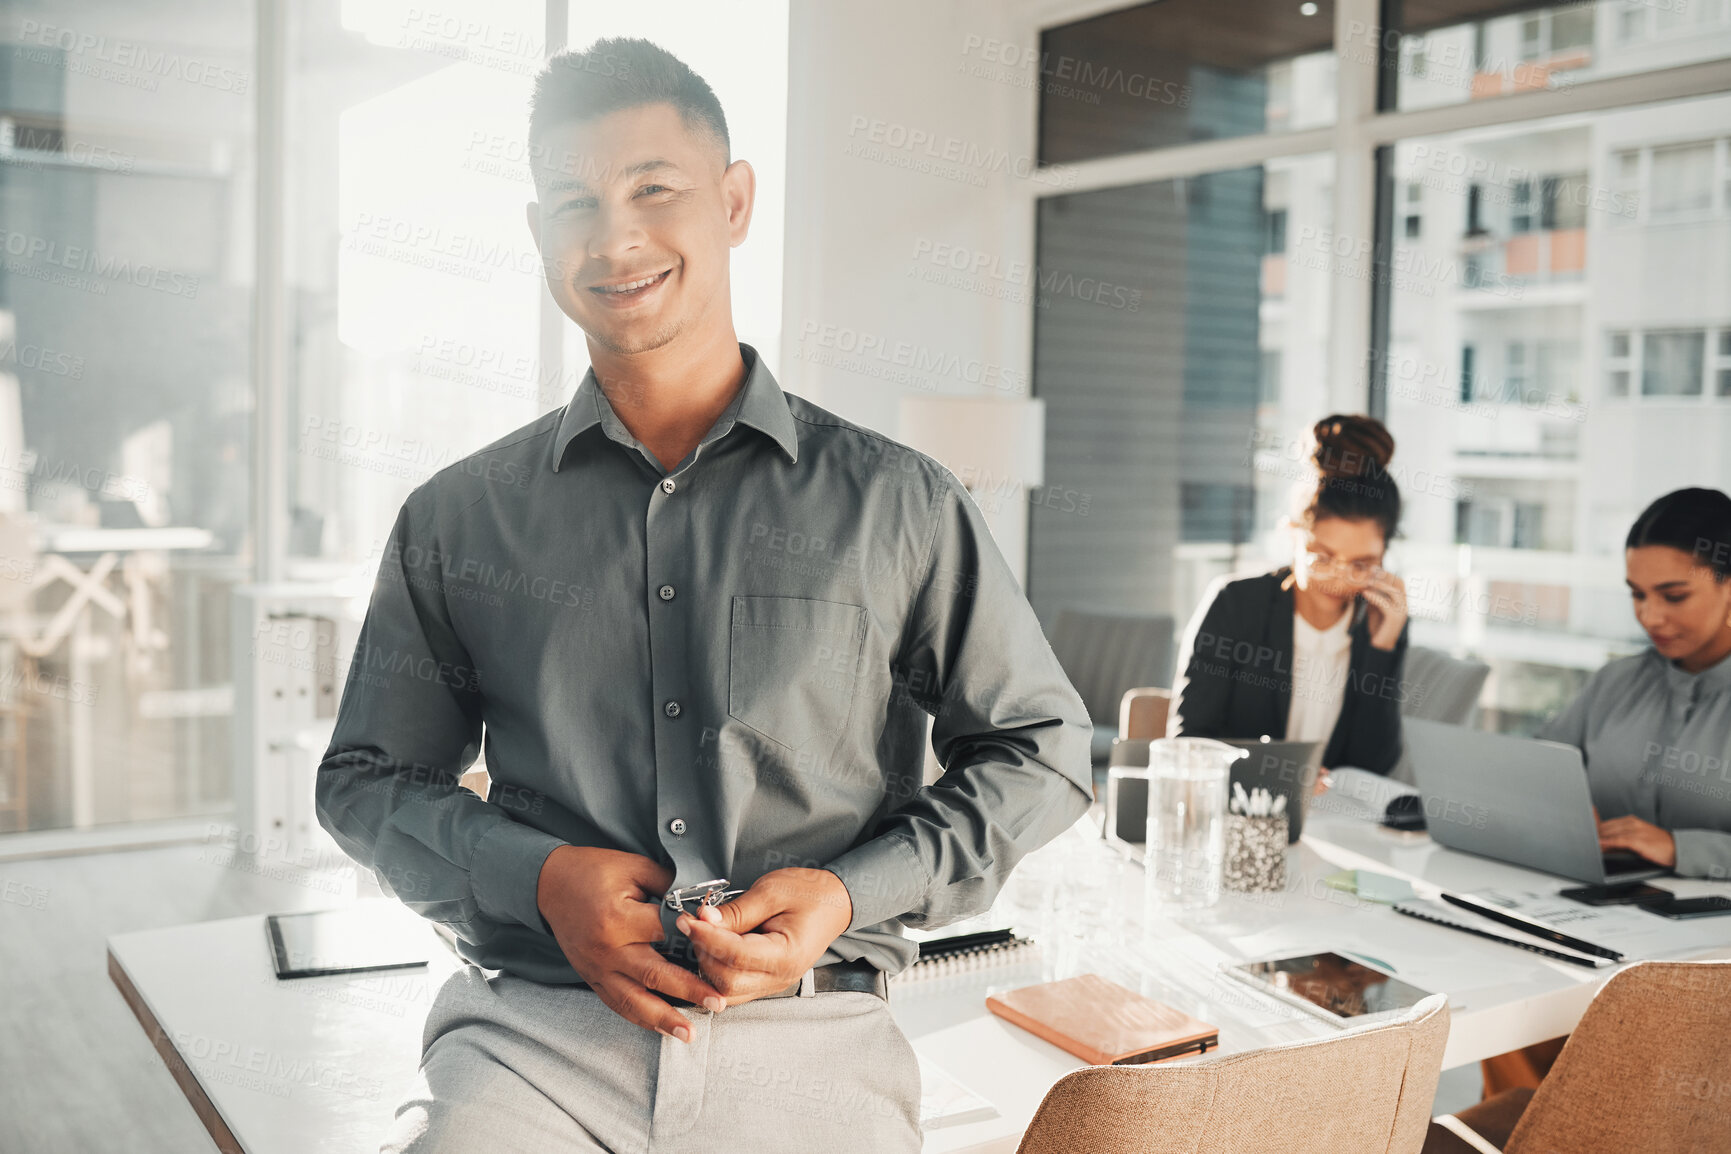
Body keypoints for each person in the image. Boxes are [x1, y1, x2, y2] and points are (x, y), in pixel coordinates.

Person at [314, 38, 1092, 1154]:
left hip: (816, 1032)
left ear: (733, 201)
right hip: (532, 1036)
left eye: (653, 189)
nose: (616, 234)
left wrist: (849, 890)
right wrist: (537, 879)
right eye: (575, 200)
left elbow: (1042, 746)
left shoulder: (899, 501)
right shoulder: (455, 518)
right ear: (539, 234)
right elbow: (364, 780)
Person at [1171, 415, 1410, 778]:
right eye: (1323, 557)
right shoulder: (1236, 604)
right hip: (1238, 815)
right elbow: (1189, 743)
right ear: (1293, 534)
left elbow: (1373, 768)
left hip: (1331, 825)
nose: (1339, 578)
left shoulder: (1381, 620)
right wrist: (1278, 775)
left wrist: (1382, 650)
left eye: (1362, 564)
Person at [1540, 487, 1731, 878]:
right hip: (1596, 907)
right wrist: (1555, 806)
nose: (1649, 617)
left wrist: (1681, 849)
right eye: (1637, 594)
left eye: (1674, 596)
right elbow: (1535, 767)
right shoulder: (1616, 681)